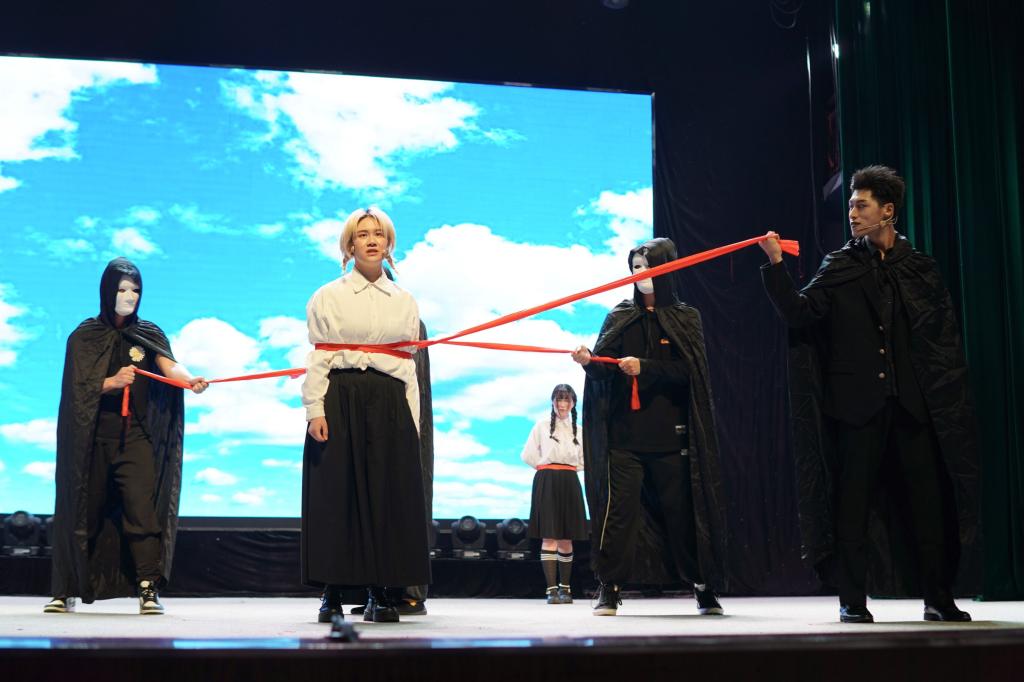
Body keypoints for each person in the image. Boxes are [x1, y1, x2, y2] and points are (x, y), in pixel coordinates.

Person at [759, 165, 978, 623]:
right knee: (852, 507)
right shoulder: (840, 265)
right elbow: (800, 313)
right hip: (857, 407)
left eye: (861, 205)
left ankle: (938, 600)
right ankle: (852, 601)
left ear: (888, 210)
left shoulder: (918, 268)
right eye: (851, 206)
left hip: (912, 407)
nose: (853, 214)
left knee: (928, 506)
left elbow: (939, 341)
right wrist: (776, 265)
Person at [571, 237, 728, 617]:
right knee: (619, 517)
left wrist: (646, 367)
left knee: (683, 516)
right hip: (625, 439)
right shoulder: (620, 316)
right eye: (635, 267)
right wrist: (589, 362)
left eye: (646, 266)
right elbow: (603, 370)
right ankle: (609, 587)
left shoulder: (685, 317)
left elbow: (691, 373)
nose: (639, 274)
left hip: (671, 439)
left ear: (666, 268)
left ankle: (702, 586)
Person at [46, 257, 208, 616]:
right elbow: (76, 390)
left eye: (135, 290)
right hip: (92, 438)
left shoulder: (148, 333)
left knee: (142, 512)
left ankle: (148, 586)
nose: (129, 296)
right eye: (122, 289)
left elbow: (168, 364)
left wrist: (189, 380)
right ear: (107, 291)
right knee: (84, 511)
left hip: (134, 436)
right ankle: (66, 588)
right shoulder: (85, 336)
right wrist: (112, 382)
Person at [302, 207, 430, 624]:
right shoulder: (328, 296)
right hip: (341, 395)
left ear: (389, 244)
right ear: (349, 245)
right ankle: (332, 593)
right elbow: (319, 357)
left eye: (379, 234)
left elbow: (408, 366)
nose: (372, 240)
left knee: (384, 496)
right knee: (336, 495)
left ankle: (379, 591)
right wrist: (315, 409)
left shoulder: (404, 301)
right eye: (363, 234)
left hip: (389, 399)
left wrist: (412, 422)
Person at [520, 384, 588, 604]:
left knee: (567, 536)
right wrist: (546, 468)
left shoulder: (579, 429)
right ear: (552, 401)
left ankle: (565, 589)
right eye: (559, 399)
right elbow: (528, 455)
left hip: (569, 480)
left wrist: (568, 469)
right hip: (547, 479)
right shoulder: (541, 426)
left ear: (573, 403)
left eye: (567, 399)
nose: (563, 404)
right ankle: (551, 590)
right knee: (549, 536)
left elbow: (584, 459)